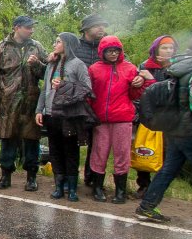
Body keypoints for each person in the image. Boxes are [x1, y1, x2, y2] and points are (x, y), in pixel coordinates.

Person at [136, 35, 192, 222]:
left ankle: (146, 207)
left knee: (168, 169)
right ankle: (146, 207)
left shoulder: (180, 69)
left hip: (175, 129)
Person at [0, 15, 47, 191]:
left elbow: (47, 73)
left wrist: (37, 65)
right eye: (28, 27)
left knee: (31, 140)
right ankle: (5, 175)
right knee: (8, 139)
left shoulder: (37, 47)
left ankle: (31, 177)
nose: (31, 30)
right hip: (7, 102)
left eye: (32, 27)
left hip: (30, 102)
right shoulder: (0, 48)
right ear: (17, 28)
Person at [87, 36, 150, 203]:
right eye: (109, 51)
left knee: (122, 154)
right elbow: (89, 94)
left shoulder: (130, 68)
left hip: (122, 118)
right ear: (102, 52)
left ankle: (120, 191)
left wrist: (139, 84)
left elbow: (134, 95)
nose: (113, 54)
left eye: (116, 50)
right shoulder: (94, 69)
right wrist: (89, 115)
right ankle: (97, 188)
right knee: (99, 153)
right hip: (101, 119)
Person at [35, 33, 92, 202]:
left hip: (69, 115)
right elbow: (45, 89)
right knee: (55, 151)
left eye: (58, 42)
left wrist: (65, 85)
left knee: (70, 151)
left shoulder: (78, 64)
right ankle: (58, 186)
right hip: (51, 114)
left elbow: (87, 88)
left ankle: (72, 188)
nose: (55, 44)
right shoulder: (52, 64)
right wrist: (39, 110)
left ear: (67, 44)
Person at [133, 35, 177, 197]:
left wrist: (152, 80)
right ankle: (144, 185)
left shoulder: (177, 67)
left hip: (167, 116)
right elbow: (140, 93)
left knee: (165, 153)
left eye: (171, 48)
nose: (168, 51)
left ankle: (157, 189)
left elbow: (170, 93)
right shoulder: (145, 66)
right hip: (147, 115)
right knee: (143, 150)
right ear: (156, 49)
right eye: (164, 48)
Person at [75, 13, 109, 186]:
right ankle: (71, 177)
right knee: (73, 139)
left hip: (99, 101)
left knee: (97, 143)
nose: (102, 28)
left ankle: (91, 178)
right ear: (86, 29)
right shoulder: (75, 46)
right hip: (77, 101)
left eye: (103, 25)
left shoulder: (107, 47)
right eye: (97, 25)